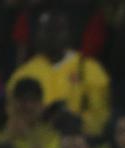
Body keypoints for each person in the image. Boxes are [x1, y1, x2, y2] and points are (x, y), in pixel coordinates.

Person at [7, 8, 111, 137]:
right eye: (45, 31)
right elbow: (12, 116)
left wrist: (79, 121)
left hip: (76, 143)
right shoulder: (23, 73)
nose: (50, 36)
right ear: (38, 35)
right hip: (35, 147)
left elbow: (102, 115)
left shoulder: (89, 68)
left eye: (56, 30)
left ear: (68, 34)